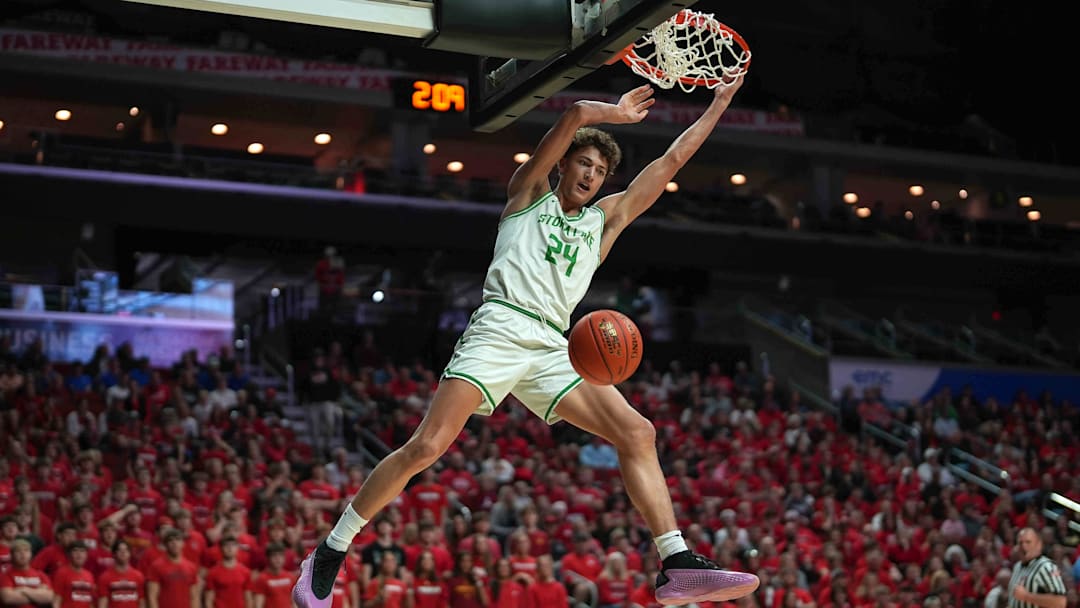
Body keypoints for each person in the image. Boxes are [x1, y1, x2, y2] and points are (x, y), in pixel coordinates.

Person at [293, 78, 758, 607]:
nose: (591, 175)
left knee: (638, 431)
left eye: (601, 171)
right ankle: (332, 550)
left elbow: (672, 161)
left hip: (554, 344)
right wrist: (612, 113)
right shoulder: (527, 196)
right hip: (501, 326)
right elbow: (576, 111)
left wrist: (719, 103)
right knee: (427, 446)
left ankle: (675, 562)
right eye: (584, 163)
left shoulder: (604, 224)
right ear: (563, 165)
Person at [1007, 527, 1066, 608]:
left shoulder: (1046, 566)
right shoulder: (1017, 566)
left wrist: (1026, 596)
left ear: (1039, 545)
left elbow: (1060, 602)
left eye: (1028, 542)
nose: (1023, 546)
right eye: (1020, 543)